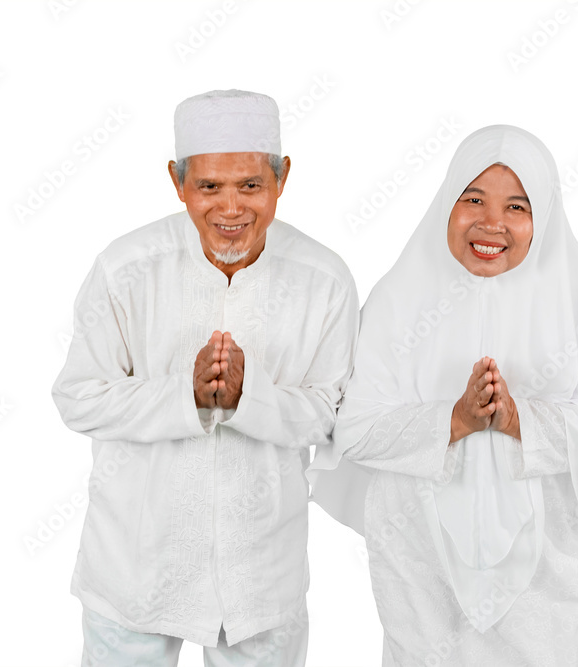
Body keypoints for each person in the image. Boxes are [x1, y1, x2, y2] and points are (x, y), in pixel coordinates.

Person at [309, 125, 578, 666]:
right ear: (447, 202)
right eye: (473, 199)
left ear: (543, 217)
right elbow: (353, 430)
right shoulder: (398, 299)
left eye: (517, 205)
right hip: (424, 573)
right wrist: (456, 420)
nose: (491, 223)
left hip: (555, 580)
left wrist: (521, 422)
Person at [52, 89, 359, 666]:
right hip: (135, 568)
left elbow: (333, 413)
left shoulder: (324, 279)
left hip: (260, 577)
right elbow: (77, 397)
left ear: (282, 177)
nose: (231, 209)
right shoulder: (126, 268)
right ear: (176, 181)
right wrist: (181, 394)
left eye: (250, 186)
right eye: (208, 188)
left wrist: (252, 397)